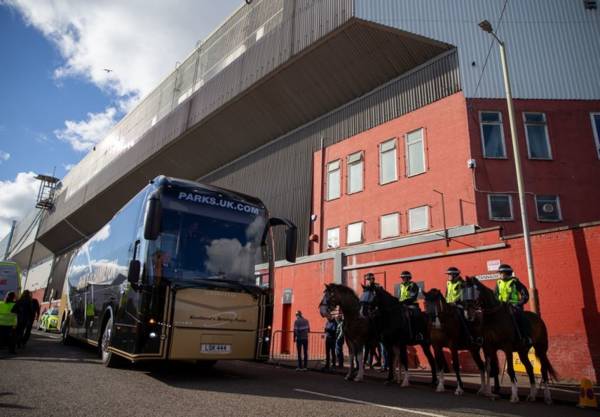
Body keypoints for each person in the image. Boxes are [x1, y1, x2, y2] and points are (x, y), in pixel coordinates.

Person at [494, 264, 532, 345]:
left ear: (507, 273)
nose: (499, 275)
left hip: (514, 306)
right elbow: (495, 296)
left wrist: (518, 304)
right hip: (501, 307)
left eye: (501, 273)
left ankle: (525, 337)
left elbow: (525, 295)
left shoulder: (515, 282)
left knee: (520, 318)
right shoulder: (498, 283)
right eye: (499, 273)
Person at [445, 267, 478, 345]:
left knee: (464, 317)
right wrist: (446, 302)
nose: (448, 276)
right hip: (449, 305)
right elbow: (446, 294)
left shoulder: (462, 283)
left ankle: (471, 337)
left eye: (449, 274)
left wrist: (456, 302)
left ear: (454, 275)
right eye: (448, 274)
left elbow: (464, 295)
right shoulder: (448, 283)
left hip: (460, 305)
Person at [398, 270, 422, 341]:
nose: (402, 279)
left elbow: (413, 296)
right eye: (402, 278)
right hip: (402, 305)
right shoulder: (401, 285)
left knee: (415, 316)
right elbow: (399, 296)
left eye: (404, 277)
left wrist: (404, 302)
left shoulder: (413, 285)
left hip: (411, 305)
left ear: (408, 278)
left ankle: (418, 333)